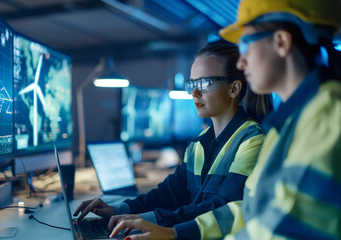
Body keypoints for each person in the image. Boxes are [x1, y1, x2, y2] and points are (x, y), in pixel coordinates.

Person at [109, 0, 341, 239]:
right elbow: (248, 210)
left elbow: (286, 228)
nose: (240, 62)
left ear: (281, 42)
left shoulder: (328, 113)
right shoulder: (292, 121)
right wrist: (174, 233)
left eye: (245, 44)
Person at [74, 43, 273, 232]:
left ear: (234, 89)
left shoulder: (252, 141)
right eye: (192, 84)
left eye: (204, 83)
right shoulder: (199, 143)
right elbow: (170, 193)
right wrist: (120, 209)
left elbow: (221, 210)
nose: (194, 93)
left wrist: (151, 220)